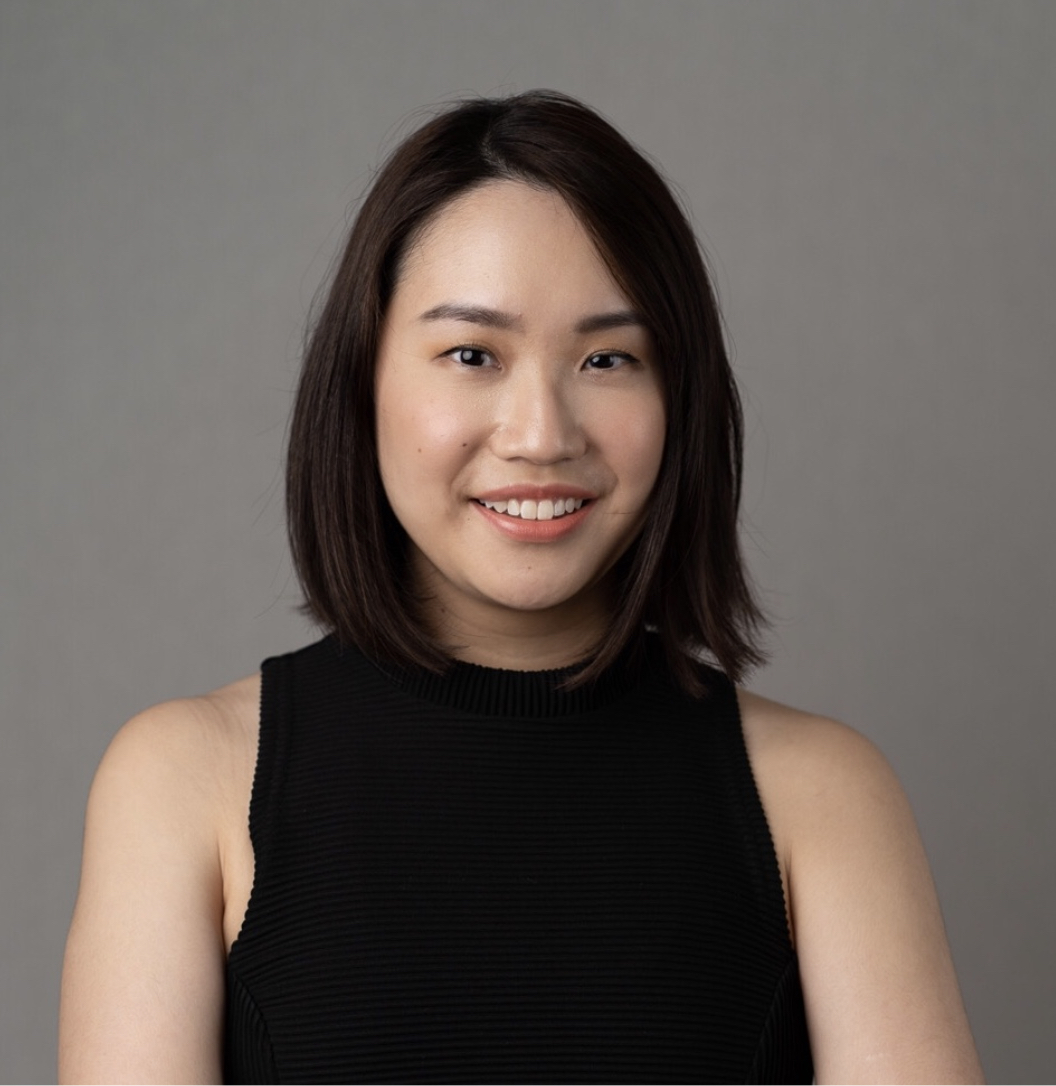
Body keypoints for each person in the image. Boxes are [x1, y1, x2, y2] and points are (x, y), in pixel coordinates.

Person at [59, 91, 983, 1084]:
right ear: (364, 382)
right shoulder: (184, 782)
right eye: (471, 355)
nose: (542, 434)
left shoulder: (822, 796)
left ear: (681, 398)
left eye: (607, 358)